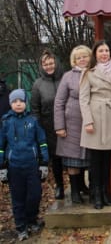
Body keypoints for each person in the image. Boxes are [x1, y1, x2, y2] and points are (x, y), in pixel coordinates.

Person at [79, 40, 111, 210]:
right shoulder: (88, 72)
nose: (104, 53)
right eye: (101, 51)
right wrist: (88, 121)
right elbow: (83, 99)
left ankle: (106, 193)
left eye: (107, 50)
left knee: (108, 159)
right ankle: (96, 194)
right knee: (95, 160)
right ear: (95, 53)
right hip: (95, 115)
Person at [0, 89, 49, 241]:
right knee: (18, 198)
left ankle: (31, 220)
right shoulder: (6, 122)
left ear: (25, 103)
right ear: (10, 104)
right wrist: (2, 167)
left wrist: (44, 162)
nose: (18, 104)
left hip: (32, 165)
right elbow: (1, 146)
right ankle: (21, 226)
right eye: (14, 101)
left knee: (34, 195)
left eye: (21, 101)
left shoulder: (33, 120)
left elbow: (42, 142)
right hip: (14, 167)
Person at [54, 45, 92, 204]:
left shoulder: (94, 73)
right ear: (74, 60)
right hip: (72, 123)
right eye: (79, 57)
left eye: (85, 56)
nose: (82, 59)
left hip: (90, 123)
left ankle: (84, 186)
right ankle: (75, 191)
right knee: (73, 159)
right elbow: (59, 102)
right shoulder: (68, 76)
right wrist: (60, 126)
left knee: (88, 158)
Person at [31, 49, 64, 199]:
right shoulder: (38, 85)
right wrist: (38, 129)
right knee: (56, 159)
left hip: (68, 123)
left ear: (56, 63)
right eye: (46, 64)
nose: (49, 66)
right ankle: (60, 186)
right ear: (42, 66)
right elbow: (35, 109)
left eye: (51, 63)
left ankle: (79, 185)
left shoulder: (65, 78)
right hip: (48, 126)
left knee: (74, 157)